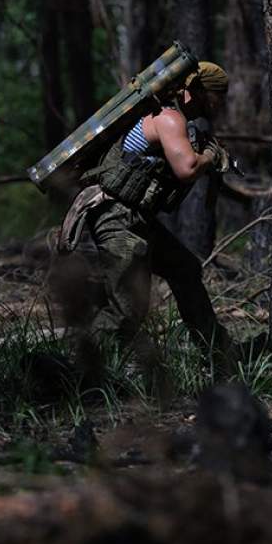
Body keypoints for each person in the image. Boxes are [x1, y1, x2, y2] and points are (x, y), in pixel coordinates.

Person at [52, 61, 240, 394]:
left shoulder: (174, 118)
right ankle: (68, 374)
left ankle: (219, 355)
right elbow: (186, 168)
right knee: (128, 306)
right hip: (116, 215)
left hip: (137, 217)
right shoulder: (170, 119)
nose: (219, 105)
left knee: (184, 269)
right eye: (216, 96)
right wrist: (211, 156)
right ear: (196, 90)